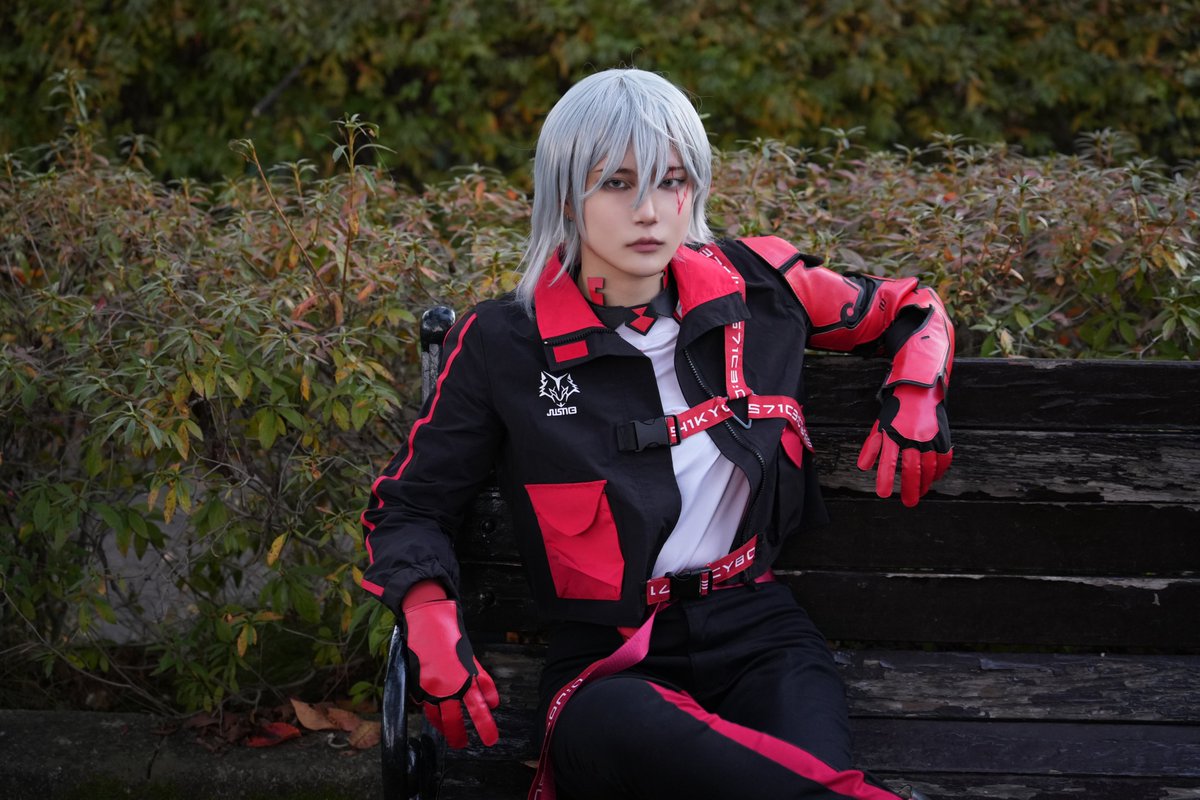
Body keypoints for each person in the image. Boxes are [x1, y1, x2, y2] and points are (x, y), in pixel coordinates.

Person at [360, 68, 952, 799]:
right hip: (607, 666)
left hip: (761, 637)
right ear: (565, 197)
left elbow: (909, 309)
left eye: (672, 181)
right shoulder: (501, 342)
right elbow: (410, 505)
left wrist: (916, 392)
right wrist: (426, 611)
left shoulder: (763, 287)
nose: (649, 211)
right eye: (616, 183)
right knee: (635, 731)